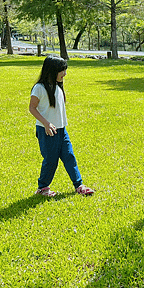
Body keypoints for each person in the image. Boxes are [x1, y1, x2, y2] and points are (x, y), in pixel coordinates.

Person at [29, 55, 94, 197]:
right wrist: (46, 123)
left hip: (62, 129)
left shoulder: (58, 86)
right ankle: (42, 188)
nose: (65, 74)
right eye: (62, 71)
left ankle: (79, 185)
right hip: (47, 130)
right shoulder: (39, 88)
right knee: (51, 160)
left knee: (69, 156)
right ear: (52, 71)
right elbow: (32, 108)